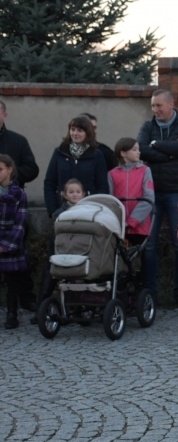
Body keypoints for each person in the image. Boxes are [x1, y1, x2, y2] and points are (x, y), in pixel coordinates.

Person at [138, 89, 178, 308]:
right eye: (153, 106)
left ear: (171, 105)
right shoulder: (147, 126)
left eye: (159, 106)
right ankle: (150, 292)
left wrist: (156, 145)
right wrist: (169, 152)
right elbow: (141, 150)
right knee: (149, 245)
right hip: (151, 193)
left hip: (176, 193)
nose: (155, 110)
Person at [0, 99, 39, 312]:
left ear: (5, 115)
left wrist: (11, 177)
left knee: (18, 261)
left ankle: (26, 297)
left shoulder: (18, 141)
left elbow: (32, 168)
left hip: (12, 208)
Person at [29, 179, 85, 324]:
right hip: (58, 251)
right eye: (71, 192)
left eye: (78, 192)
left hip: (79, 252)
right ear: (64, 195)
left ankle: (77, 311)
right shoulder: (58, 213)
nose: (75, 195)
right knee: (48, 278)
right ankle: (40, 311)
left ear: (83, 194)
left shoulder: (87, 211)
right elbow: (54, 236)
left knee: (78, 281)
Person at [43, 115, 109, 217]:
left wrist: (96, 208)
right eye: (72, 129)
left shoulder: (97, 154)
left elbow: (102, 185)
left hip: (89, 210)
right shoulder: (59, 152)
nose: (75, 133)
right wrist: (52, 211)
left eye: (79, 130)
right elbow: (49, 183)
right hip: (62, 210)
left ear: (87, 133)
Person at [107, 138, 154, 249]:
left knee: (143, 257)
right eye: (134, 149)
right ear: (123, 153)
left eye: (138, 149)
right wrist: (120, 222)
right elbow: (110, 200)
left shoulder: (145, 170)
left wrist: (132, 221)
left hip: (140, 226)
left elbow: (149, 198)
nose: (139, 152)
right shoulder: (112, 174)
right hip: (119, 226)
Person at [0, 154, 28, 329]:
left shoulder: (19, 195)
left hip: (10, 244)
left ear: (9, 170)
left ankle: (12, 313)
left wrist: (5, 245)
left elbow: (21, 222)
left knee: (12, 281)